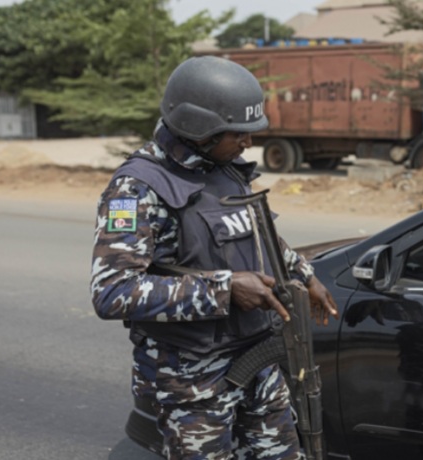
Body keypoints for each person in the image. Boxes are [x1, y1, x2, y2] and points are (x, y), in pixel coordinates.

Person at [90, 55, 339, 459]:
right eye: (237, 133)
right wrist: (224, 289)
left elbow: (262, 236)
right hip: (193, 381)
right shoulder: (136, 189)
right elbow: (112, 291)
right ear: (198, 128)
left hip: (256, 359)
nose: (248, 143)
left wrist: (305, 275)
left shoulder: (226, 169)